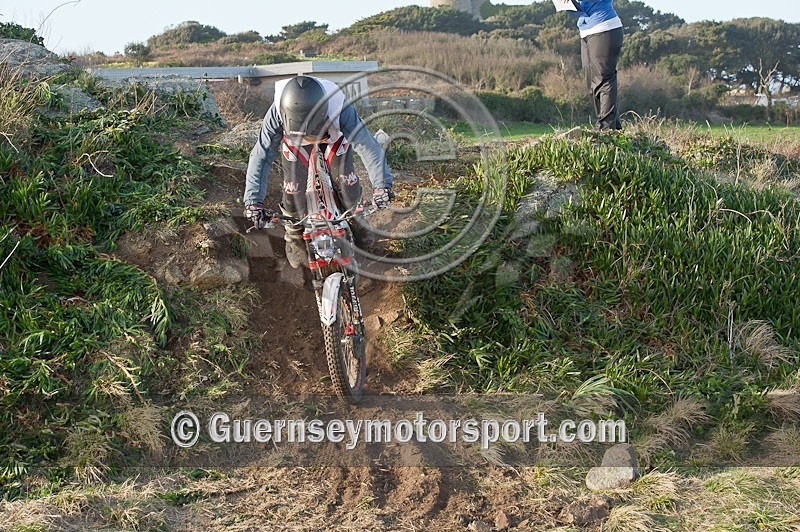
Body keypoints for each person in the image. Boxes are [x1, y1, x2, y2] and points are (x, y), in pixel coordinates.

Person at [243, 75, 393, 268]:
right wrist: (253, 201)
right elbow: (261, 155)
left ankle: (358, 223)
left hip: (333, 137)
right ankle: (294, 235)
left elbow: (367, 146)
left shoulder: (339, 107)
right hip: (295, 144)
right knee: (292, 191)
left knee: (347, 185)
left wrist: (382, 187)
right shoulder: (277, 112)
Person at [565, 0, 624, 130]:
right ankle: (614, 126)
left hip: (605, 26)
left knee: (603, 79)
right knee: (590, 85)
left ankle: (606, 128)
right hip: (586, 31)